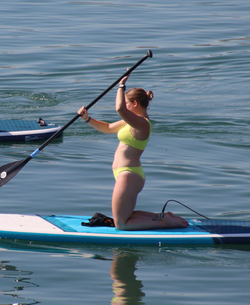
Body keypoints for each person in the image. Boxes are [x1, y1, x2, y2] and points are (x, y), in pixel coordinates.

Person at [78, 71, 188, 231]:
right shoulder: (130, 122)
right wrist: (87, 119)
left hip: (128, 175)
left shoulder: (143, 124)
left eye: (127, 103)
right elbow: (107, 128)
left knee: (121, 224)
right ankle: (162, 217)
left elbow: (119, 108)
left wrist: (121, 86)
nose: (125, 106)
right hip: (125, 174)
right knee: (126, 216)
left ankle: (166, 223)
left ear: (135, 103)